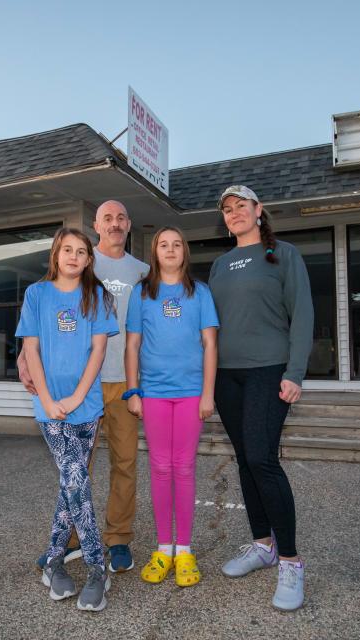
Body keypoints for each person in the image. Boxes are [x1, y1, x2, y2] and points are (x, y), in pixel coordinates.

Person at [20, 201, 149, 573]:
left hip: (124, 381)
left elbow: (148, 327)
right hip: (81, 385)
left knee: (125, 462)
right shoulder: (75, 261)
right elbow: (39, 326)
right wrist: (23, 360)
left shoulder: (143, 271)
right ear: (96, 225)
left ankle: (119, 538)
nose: (115, 223)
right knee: (76, 467)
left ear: (129, 224)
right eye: (107, 217)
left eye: (122, 217)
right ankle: (71, 538)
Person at [208, 185, 314, 611]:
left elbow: (303, 313)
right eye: (228, 210)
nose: (234, 214)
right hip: (226, 377)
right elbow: (209, 326)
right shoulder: (219, 264)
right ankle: (262, 544)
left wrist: (296, 372)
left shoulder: (283, 254)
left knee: (262, 459)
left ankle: (290, 560)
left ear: (258, 210)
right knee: (246, 459)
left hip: (269, 371)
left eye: (241, 207)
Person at [16, 227, 119, 612]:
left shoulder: (98, 296)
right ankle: (97, 568)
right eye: (67, 250)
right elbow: (32, 349)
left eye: (81, 251)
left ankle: (54, 562)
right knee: (75, 478)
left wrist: (77, 396)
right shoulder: (36, 295)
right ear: (56, 255)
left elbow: (97, 353)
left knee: (69, 484)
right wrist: (47, 398)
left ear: (89, 259)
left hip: (86, 406)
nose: (74, 257)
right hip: (49, 408)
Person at [123, 226, 219, 588]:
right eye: (164, 244)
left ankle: (185, 550)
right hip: (155, 393)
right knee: (161, 467)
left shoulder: (201, 292)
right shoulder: (142, 293)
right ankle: (163, 547)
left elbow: (210, 345)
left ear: (185, 252)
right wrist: (134, 391)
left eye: (177, 244)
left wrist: (208, 393)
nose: (171, 249)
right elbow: (132, 346)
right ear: (155, 252)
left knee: (185, 467)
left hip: (192, 392)